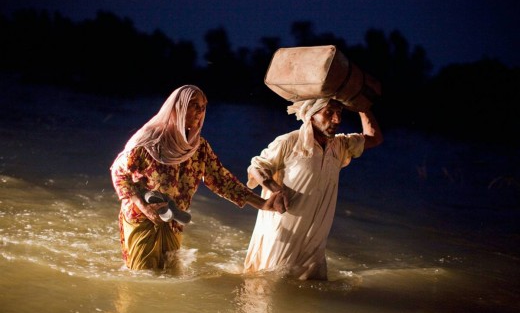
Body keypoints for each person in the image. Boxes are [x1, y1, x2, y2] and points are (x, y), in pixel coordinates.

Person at [110, 85, 278, 271]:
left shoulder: (199, 148)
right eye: (193, 105)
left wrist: (262, 204)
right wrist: (143, 206)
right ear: (177, 108)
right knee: (143, 278)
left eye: (203, 107)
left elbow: (222, 180)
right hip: (142, 217)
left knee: (170, 278)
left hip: (173, 219)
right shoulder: (150, 142)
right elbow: (118, 172)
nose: (200, 112)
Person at [243, 98, 383, 280]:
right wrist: (276, 190)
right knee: (270, 284)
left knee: (310, 290)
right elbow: (257, 167)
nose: (337, 119)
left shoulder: (340, 146)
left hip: (315, 240)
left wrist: (363, 107)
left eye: (339, 113)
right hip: (283, 235)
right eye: (329, 113)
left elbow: (374, 138)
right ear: (311, 115)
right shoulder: (289, 142)